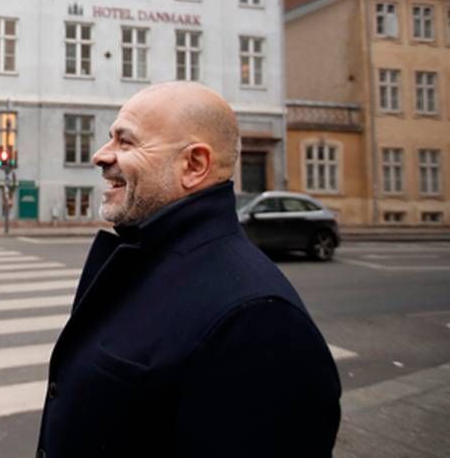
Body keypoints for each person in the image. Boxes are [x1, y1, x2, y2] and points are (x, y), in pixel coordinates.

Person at [36, 82, 341, 457]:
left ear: (194, 165)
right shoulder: (144, 258)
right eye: (109, 139)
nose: (101, 156)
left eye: (125, 142)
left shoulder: (259, 319)